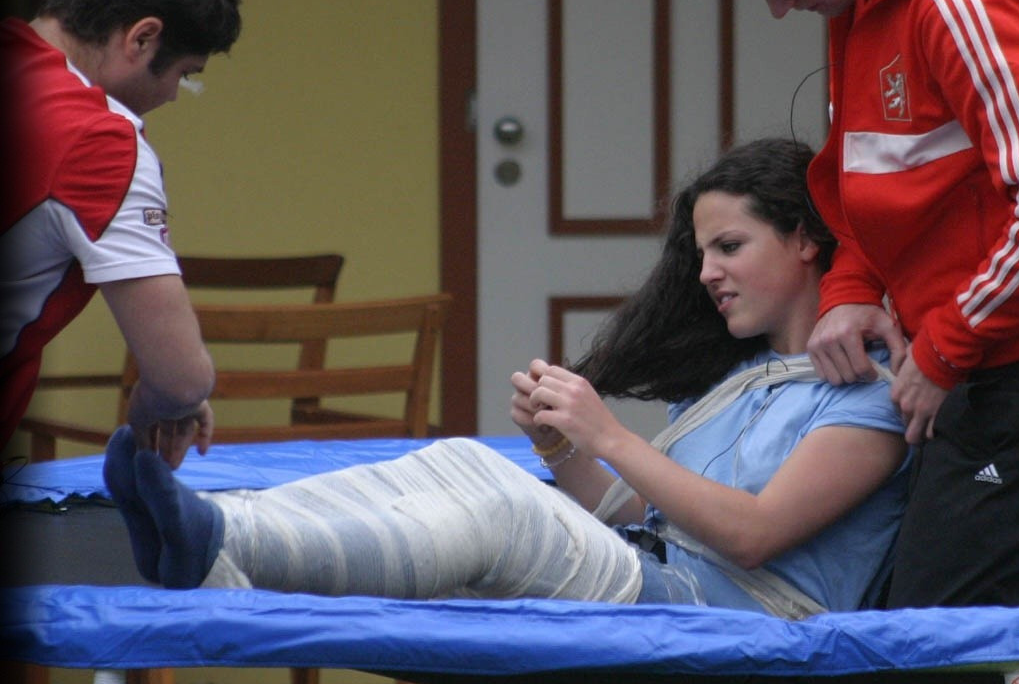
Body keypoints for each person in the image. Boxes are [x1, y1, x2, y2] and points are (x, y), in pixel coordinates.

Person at [102, 138, 912, 617]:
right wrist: (564, 450)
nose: (706, 274)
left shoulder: (868, 395)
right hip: (664, 575)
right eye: (702, 253)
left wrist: (610, 436)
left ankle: (226, 545)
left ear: (805, 240)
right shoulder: (738, 376)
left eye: (729, 248)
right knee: (464, 459)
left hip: (733, 617)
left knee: (505, 515)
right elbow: (652, 514)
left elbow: (754, 535)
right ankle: (220, 528)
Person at [765, 0, 1019, 607]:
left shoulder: (955, 6)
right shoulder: (861, 10)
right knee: (930, 621)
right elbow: (872, 183)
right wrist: (852, 288)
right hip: (976, 364)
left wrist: (943, 350)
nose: (779, 10)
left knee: (947, 634)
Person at [1, 0, 242, 468]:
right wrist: (160, 400)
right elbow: (181, 379)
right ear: (143, 38)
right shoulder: (98, 140)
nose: (173, 96)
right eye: (185, 75)